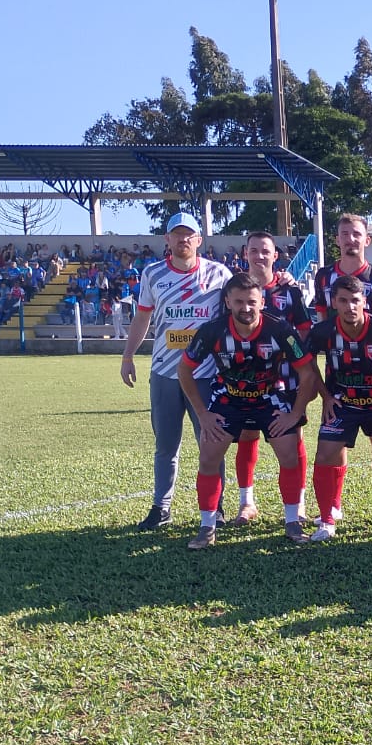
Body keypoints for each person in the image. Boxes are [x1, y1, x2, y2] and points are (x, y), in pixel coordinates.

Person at [177, 272, 316, 549]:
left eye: (251, 301)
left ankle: (291, 520)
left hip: (269, 397)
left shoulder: (279, 329)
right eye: (239, 301)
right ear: (228, 301)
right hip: (229, 398)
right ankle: (207, 525)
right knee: (208, 456)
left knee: (289, 453)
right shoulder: (213, 330)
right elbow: (184, 369)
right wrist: (203, 414)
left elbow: (307, 373)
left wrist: (294, 413)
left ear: (261, 301)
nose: (246, 307)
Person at [121, 213, 234, 530]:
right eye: (177, 235)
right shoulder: (153, 274)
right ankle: (161, 507)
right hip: (164, 374)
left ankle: (217, 507)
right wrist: (128, 356)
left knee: (211, 444)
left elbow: (240, 307)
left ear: (199, 240)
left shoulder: (219, 274)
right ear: (167, 240)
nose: (183, 240)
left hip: (206, 375)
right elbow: (142, 319)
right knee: (166, 446)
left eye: (189, 235)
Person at [312, 214, 372, 529]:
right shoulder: (324, 277)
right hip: (339, 374)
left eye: (357, 234)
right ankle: (334, 506)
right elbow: (321, 325)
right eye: (345, 234)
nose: (351, 240)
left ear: (366, 240)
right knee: (337, 441)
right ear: (337, 239)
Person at [230, 231, 313, 526]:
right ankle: (246, 502)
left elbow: (304, 330)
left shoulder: (289, 291)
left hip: (286, 379)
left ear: (275, 256)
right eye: (254, 250)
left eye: (265, 251)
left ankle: (298, 504)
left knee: (293, 438)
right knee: (246, 436)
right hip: (247, 377)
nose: (260, 256)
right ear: (245, 253)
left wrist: (295, 359)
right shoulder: (234, 289)